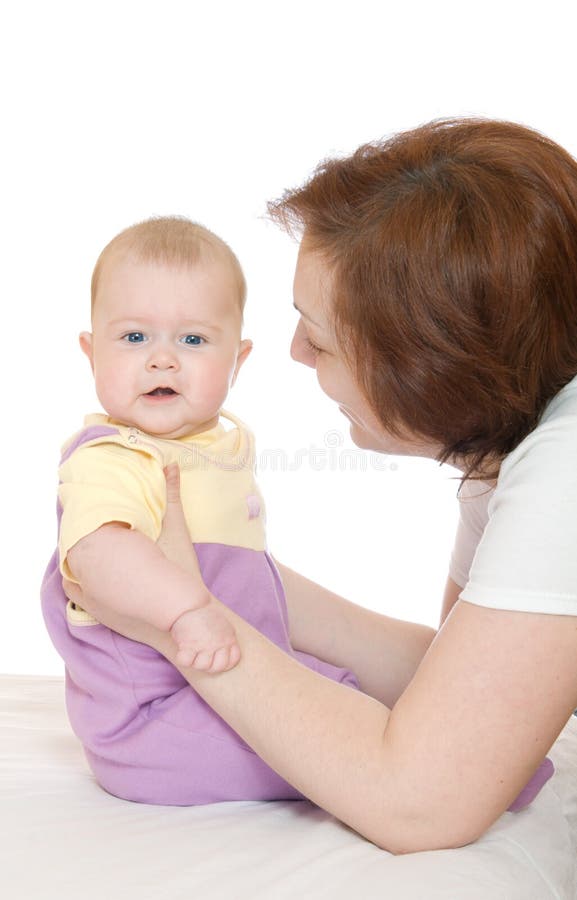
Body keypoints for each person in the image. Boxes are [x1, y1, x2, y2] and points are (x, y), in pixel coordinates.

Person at [61, 117, 577, 855]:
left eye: (321, 335)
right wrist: (203, 573)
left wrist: (185, 619)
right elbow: (460, 680)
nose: (296, 352)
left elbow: (423, 802)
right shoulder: (511, 444)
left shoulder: (565, 471)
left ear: (429, 362)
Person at [40, 216, 359, 805]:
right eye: (134, 338)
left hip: (228, 684)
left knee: (348, 698)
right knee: (337, 755)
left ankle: (462, 763)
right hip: (154, 723)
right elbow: (99, 554)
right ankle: (449, 782)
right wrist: (188, 610)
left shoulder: (214, 446)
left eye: (192, 340)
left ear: (238, 361)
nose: (162, 359)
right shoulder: (114, 457)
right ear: (91, 353)